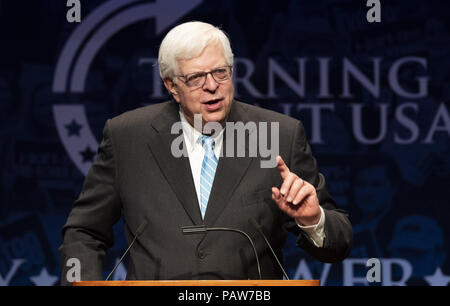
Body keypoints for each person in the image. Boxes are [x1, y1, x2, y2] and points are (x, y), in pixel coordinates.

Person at [59, 21, 352, 284]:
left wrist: (313, 220)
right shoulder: (127, 137)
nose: (212, 86)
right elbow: (84, 231)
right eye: (195, 78)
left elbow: (338, 243)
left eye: (220, 73)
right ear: (171, 86)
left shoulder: (279, 135)